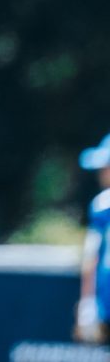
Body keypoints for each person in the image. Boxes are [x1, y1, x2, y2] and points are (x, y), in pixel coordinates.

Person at [76, 133, 110, 343]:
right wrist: (88, 302)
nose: (101, 173)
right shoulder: (102, 206)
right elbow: (92, 257)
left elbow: (91, 259)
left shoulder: (103, 206)